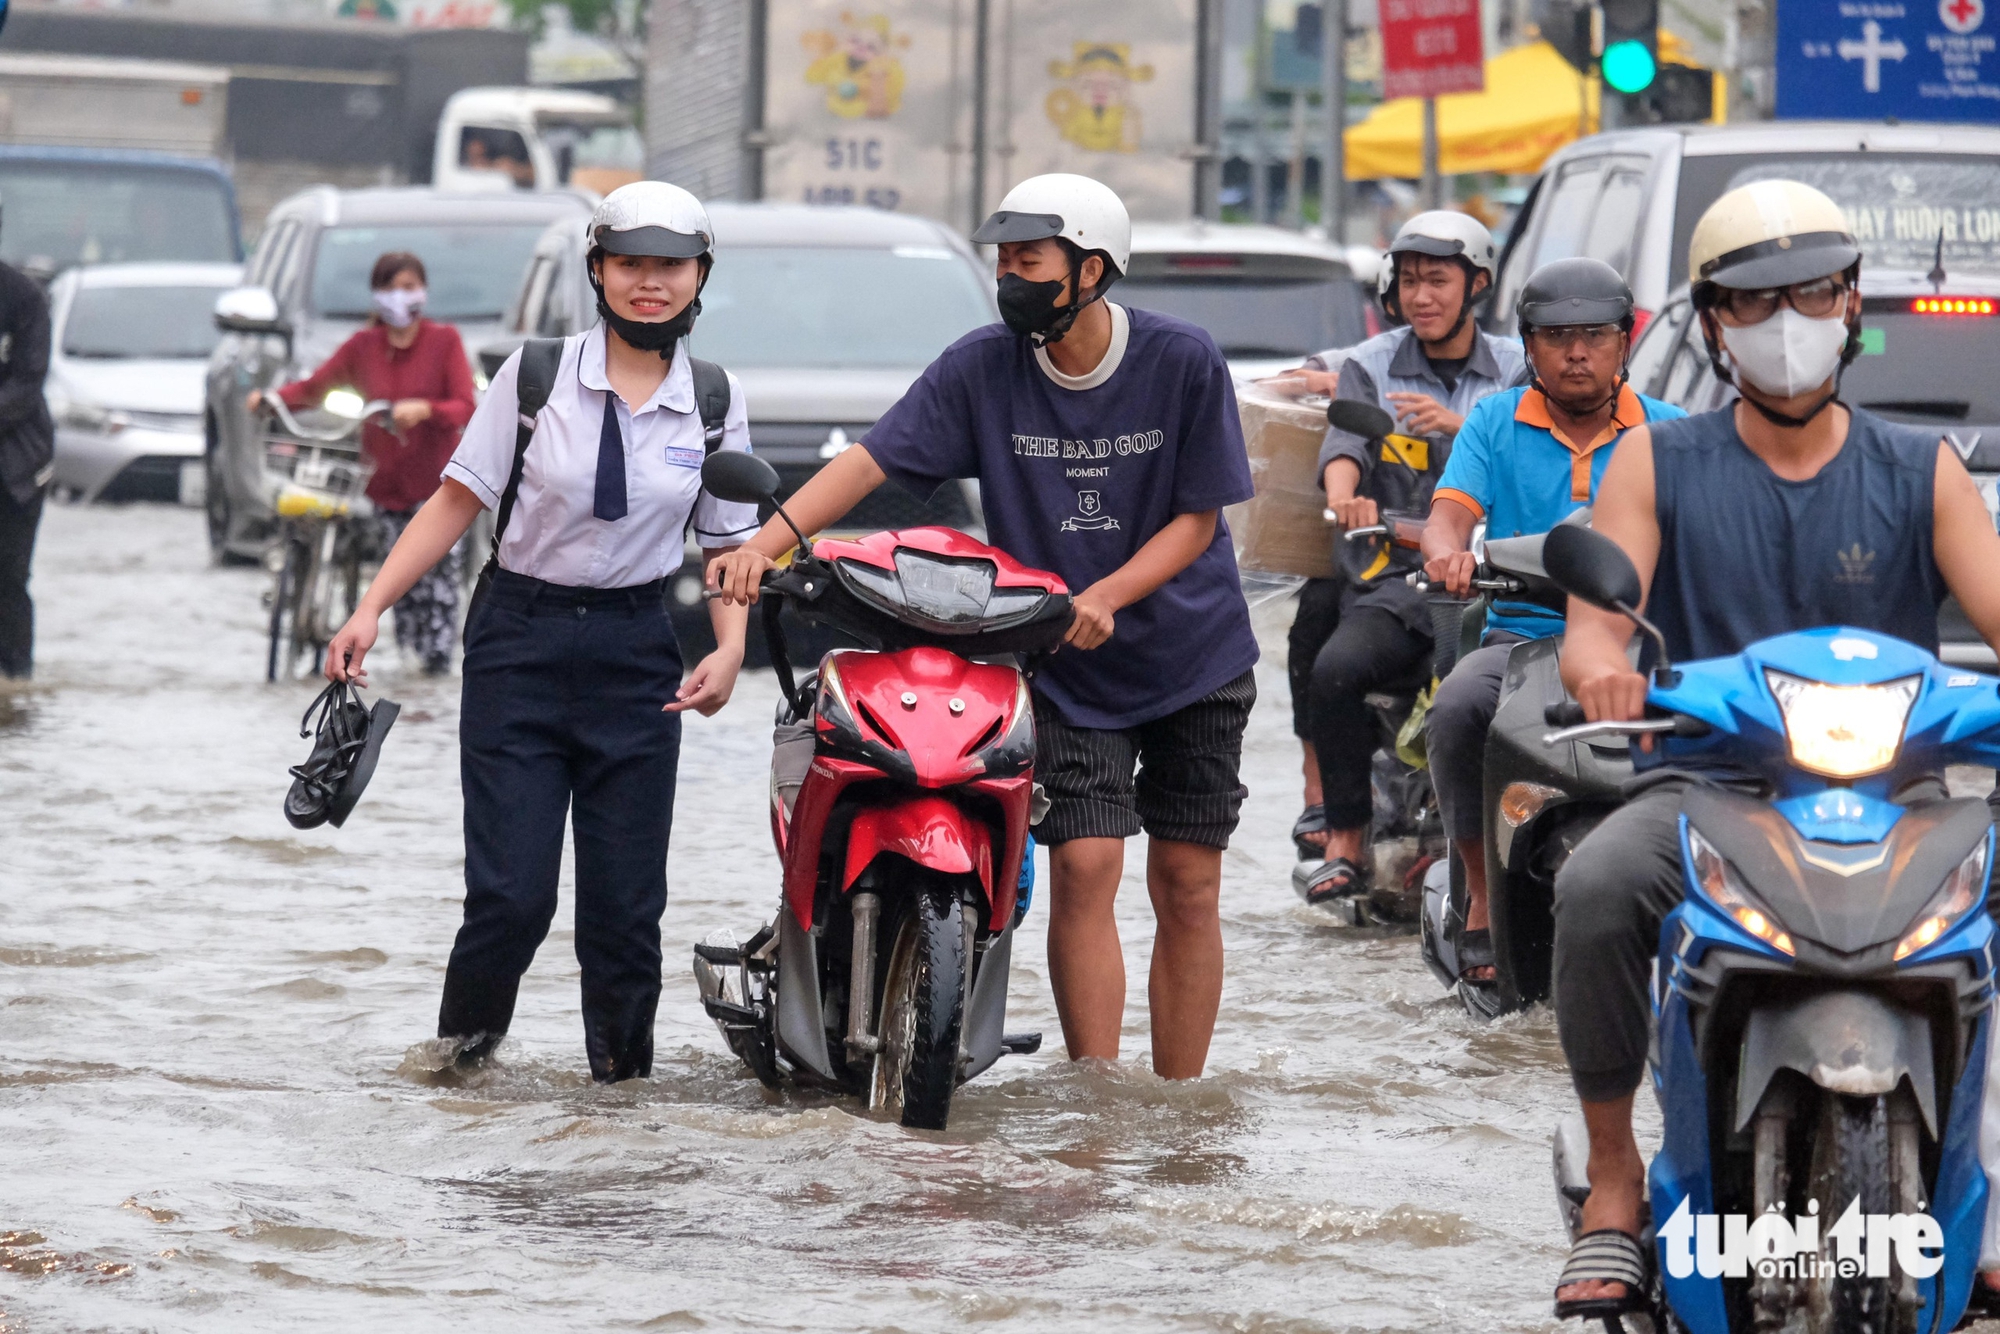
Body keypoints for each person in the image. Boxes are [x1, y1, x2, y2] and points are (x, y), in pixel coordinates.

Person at [1546, 180, 2000, 1318]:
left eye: (1810, 292)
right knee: (1597, 885)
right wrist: (1600, 662)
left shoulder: (1922, 471)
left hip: (1900, 795)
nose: (1785, 320)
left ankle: (1979, 1200)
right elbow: (1596, 624)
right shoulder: (1654, 463)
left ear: (1850, 304)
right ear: (1711, 322)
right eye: (1754, 300)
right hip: (1709, 784)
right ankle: (1613, 1183)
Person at [710, 172, 1259, 1080]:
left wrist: (1111, 595)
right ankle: (1099, 1099)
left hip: (1193, 653)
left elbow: (1198, 520)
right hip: (1063, 660)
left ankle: (1176, 1106)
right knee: (1085, 870)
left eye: (1028, 259)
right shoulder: (980, 366)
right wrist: (762, 547)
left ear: (1091, 269)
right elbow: (866, 463)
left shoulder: (1181, 359)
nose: (1010, 275)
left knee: (1188, 886)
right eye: (1002, 258)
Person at [321, 181, 761, 1083]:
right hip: (519, 640)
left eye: (669, 266)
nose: (650, 284)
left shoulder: (712, 400)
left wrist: (730, 648)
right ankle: (457, 1074)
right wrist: (371, 608)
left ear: (699, 276)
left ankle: (619, 1102)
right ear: (598, 271)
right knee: (511, 901)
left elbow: (727, 545)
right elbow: (454, 503)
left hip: (640, 654)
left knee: (627, 915)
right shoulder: (534, 377)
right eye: (630, 264)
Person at [1417, 258, 1685, 982]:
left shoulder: (1671, 430)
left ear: (1624, 343)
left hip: (1639, 643)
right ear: (1528, 347)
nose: (1576, 353)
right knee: (1460, 703)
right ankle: (1478, 892)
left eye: (1594, 336)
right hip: (1523, 638)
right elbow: (1447, 518)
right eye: (1557, 337)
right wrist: (1448, 555)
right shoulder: (1494, 422)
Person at [1293, 211, 1526, 905]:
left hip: (1503, 581)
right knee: (1334, 670)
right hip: (1402, 579)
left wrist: (1464, 427)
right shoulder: (1370, 365)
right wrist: (1349, 500)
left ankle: (1490, 844)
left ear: (1476, 285)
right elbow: (1343, 450)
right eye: (1412, 282)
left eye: (1440, 281)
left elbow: (1533, 454)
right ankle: (1345, 837)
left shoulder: (1519, 368)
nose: (1423, 297)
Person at [249, 252, 477, 675]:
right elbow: (316, 387)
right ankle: (412, 676)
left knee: (440, 597)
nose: (399, 297)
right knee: (403, 589)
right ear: (376, 295)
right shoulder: (363, 347)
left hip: (440, 492)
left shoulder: (444, 342)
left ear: (423, 291)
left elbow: (465, 405)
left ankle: (436, 673)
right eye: (390, 288)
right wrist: (273, 400)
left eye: (409, 287)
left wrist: (425, 409)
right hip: (386, 492)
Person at [0, 198, 52, 681]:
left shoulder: (23, 298)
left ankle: (16, 682)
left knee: (10, 579)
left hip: (17, 466)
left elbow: (27, 381)